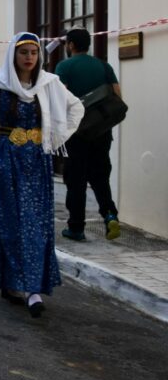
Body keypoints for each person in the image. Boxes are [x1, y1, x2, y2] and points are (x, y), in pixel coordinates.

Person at [0, 32, 83, 318]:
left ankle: (33, 288)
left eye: (34, 52)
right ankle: (13, 283)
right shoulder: (0, 85)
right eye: (24, 52)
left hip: (37, 161)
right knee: (11, 222)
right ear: (14, 55)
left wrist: (56, 138)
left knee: (36, 223)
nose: (29, 57)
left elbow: (76, 108)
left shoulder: (49, 84)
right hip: (8, 158)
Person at [55, 28, 122, 241]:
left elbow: (60, 100)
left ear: (71, 45)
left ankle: (76, 227)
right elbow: (117, 96)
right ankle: (110, 214)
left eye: (67, 43)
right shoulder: (104, 66)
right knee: (100, 176)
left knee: (76, 179)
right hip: (102, 132)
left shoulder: (64, 67)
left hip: (76, 133)